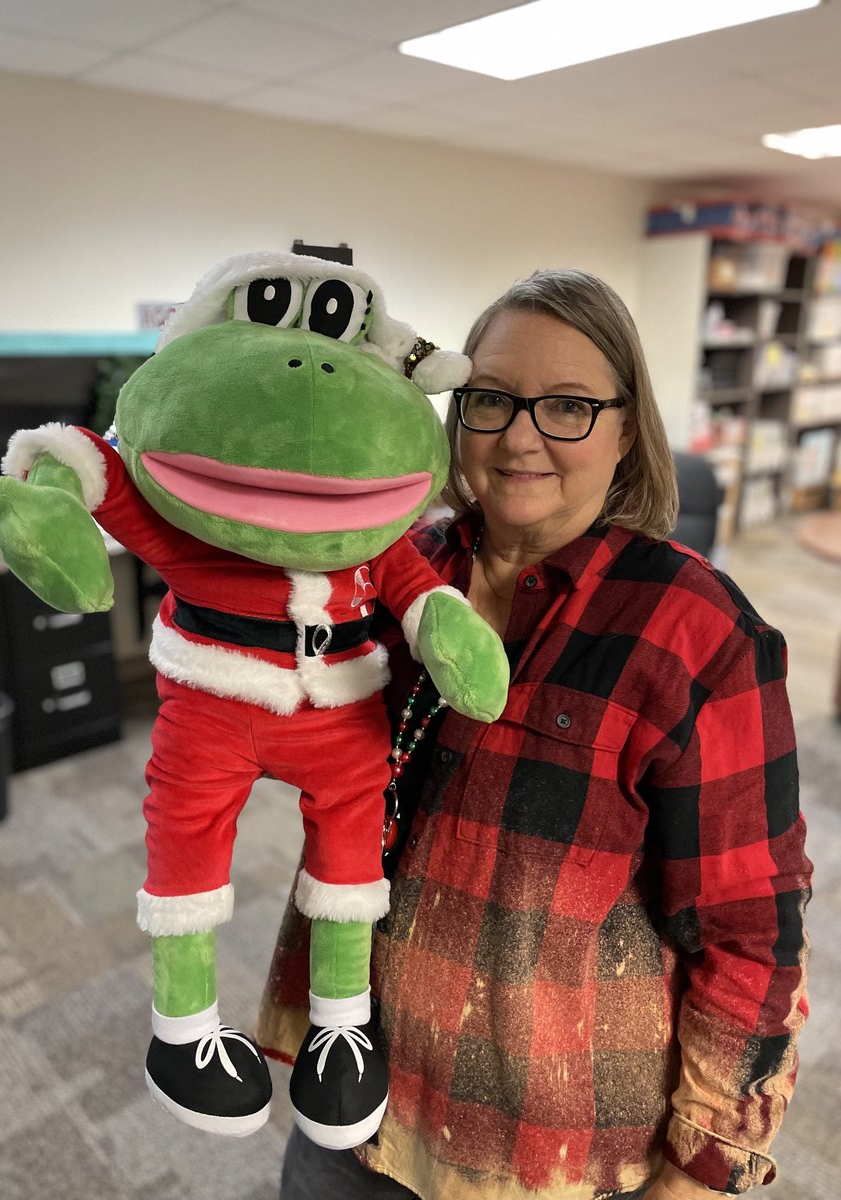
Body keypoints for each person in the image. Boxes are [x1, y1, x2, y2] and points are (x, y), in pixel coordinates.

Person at [257, 267, 812, 1200]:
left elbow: (750, 931)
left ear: (628, 427)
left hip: (545, 1147)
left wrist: (700, 1171)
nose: (519, 436)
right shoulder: (395, 575)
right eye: (491, 399)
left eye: (567, 405)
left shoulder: (695, 633)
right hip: (353, 1071)